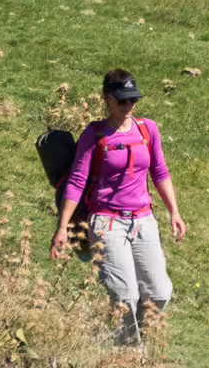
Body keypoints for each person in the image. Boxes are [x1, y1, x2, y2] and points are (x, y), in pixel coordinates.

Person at [50, 71, 186, 344]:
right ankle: (127, 356)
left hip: (144, 220)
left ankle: (130, 341)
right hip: (107, 223)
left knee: (159, 293)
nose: (129, 106)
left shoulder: (148, 129)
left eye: (133, 100)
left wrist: (174, 212)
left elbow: (160, 172)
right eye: (123, 101)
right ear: (107, 99)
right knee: (125, 296)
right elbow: (77, 181)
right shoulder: (95, 134)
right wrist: (63, 226)